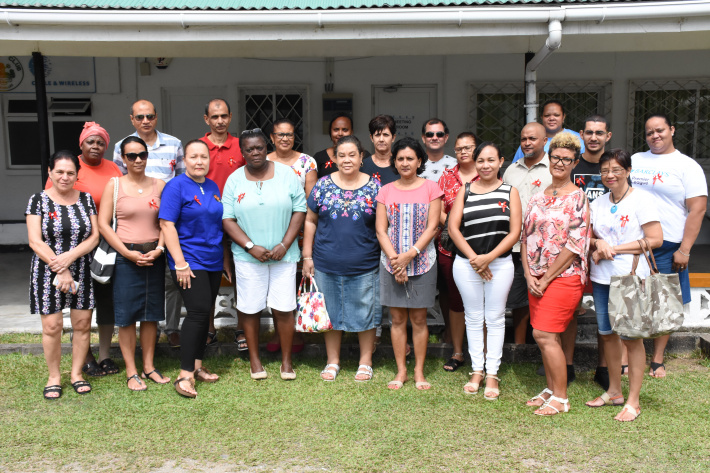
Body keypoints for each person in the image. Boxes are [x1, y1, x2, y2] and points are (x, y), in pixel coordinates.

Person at [222, 129, 306, 380]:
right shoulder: (234, 179)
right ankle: (255, 362)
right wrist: (250, 246)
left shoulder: (286, 174)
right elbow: (227, 218)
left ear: (265, 146)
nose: (255, 152)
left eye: (259, 147)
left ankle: (286, 363)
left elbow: (300, 209)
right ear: (242, 152)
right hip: (248, 257)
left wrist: (284, 244)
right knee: (250, 308)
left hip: (284, 255)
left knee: (284, 308)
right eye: (249, 149)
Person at [585, 149, 662, 421]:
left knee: (631, 338)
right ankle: (614, 391)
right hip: (601, 278)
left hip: (630, 277)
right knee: (607, 334)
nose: (610, 175)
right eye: (605, 170)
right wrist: (598, 243)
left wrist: (613, 248)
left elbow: (655, 239)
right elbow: (591, 235)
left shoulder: (642, 200)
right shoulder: (599, 203)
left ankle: (633, 400)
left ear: (628, 171)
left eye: (616, 170)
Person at [630, 113, 708, 378]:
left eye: (660, 130)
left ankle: (657, 359)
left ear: (672, 130)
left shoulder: (687, 166)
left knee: (665, 303)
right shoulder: (635, 161)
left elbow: (697, 209)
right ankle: (633, 355)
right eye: (650, 132)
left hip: (669, 243)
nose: (655, 136)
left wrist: (685, 249)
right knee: (634, 301)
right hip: (635, 243)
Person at [45, 122, 123, 377]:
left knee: (104, 300)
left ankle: (104, 354)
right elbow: (50, 208)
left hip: (104, 244)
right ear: (81, 144)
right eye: (91, 141)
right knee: (77, 303)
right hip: (70, 247)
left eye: (100, 142)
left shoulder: (113, 169)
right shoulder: (68, 167)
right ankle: (85, 356)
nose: (95, 146)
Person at [302, 135, 381, 382]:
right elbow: (310, 219)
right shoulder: (322, 185)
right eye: (341, 155)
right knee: (331, 314)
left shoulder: (375, 187)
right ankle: (332, 361)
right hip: (326, 262)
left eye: (352, 155)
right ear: (334, 158)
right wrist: (307, 255)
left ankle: (365, 362)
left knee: (365, 312)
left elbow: (383, 227)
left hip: (365, 262)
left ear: (361, 158)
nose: (347, 160)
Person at [522, 132, 590, 416]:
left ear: (574, 163)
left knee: (544, 334)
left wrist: (546, 277)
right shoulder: (538, 196)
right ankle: (551, 388)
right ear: (549, 159)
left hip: (563, 277)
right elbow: (525, 237)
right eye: (556, 157)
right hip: (535, 278)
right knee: (545, 337)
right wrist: (528, 275)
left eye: (566, 159)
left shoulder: (578, 198)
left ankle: (561, 398)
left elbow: (575, 246)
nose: (560, 163)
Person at [449, 142, 521, 399]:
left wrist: (488, 258)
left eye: (491, 160)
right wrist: (474, 259)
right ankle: (476, 370)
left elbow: (515, 232)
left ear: (501, 161)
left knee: (496, 318)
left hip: (499, 264)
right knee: (473, 317)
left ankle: (492, 374)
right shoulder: (465, 190)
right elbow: (453, 228)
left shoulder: (509, 191)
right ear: (474, 162)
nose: (486, 165)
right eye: (481, 160)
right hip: (466, 265)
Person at [27, 151, 100, 399]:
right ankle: (54, 376)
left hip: (82, 269)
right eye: (59, 172)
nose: (65, 177)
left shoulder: (86, 199)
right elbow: (35, 241)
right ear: (50, 173)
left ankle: (77, 374)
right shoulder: (37, 200)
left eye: (70, 172)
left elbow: (95, 236)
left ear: (77, 175)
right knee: (52, 326)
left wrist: (70, 258)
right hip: (47, 270)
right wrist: (62, 266)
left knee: (82, 325)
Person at [100, 136, 170, 391]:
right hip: (125, 256)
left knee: (151, 315)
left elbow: (167, 222)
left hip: (154, 255)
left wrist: (160, 248)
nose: (138, 160)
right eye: (131, 156)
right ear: (123, 158)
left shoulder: (160, 185)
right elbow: (103, 224)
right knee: (127, 317)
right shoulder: (114, 185)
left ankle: (149, 366)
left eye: (141, 154)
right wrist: (125, 253)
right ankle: (131, 370)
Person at [113, 99, 185, 348]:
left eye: (150, 116)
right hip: (134, 224)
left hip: (165, 224)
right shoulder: (121, 147)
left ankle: (173, 327)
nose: (145, 121)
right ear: (132, 119)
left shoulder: (174, 144)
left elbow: (180, 181)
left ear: (156, 117)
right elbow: (119, 187)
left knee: (170, 280)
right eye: (140, 117)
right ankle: (143, 336)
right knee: (133, 289)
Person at [376, 137, 443, 390]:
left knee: (418, 319)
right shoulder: (386, 190)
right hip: (391, 261)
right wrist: (396, 261)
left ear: (419, 161)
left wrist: (410, 255)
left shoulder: (431, 189)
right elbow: (381, 230)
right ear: (394, 161)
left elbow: (433, 227)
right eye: (400, 158)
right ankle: (401, 371)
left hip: (423, 261)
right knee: (396, 318)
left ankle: (418, 371)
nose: (405, 163)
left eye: (410, 158)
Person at [160, 140, 224, 398]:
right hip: (189, 260)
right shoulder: (176, 186)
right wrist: (180, 263)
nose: (199, 161)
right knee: (197, 312)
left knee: (205, 310)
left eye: (203, 157)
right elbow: (167, 225)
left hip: (213, 259)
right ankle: (185, 374)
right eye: (193, 157)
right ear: (184, 160)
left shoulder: (212, 186)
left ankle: (197, 366)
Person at [266, 118, 317, 353]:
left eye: (289, 134)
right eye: (280, 134)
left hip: (299, 233)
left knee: (295, 284)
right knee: (275, 284)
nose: (285, 138)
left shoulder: (307, 162)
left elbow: (311, 203)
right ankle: (279, 331)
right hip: (270, 233)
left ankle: (297, 331)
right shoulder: (264, 161)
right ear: (272, 138)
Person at [200, 98, 245, 349]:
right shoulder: (199, 147)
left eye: (224, 116)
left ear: (230, 117)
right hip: (207, 220)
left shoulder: (240, 147)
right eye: (214, 117)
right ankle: (209, 328)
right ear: (207, 119)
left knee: (239, 273)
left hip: (238, 219)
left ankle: (241, 327)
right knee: (208, 275)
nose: (220, 121)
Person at [502, 123, 551, 345]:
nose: (527, 143)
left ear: (545, 141)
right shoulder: (511, 169)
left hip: (545, 246)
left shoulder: (553, 167)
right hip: (515, 245)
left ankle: (542, 344)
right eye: (523, 139)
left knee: (544, 297)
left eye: (532, 138)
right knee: (518, 298)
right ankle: (520, 346)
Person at [574, 115, 612, 389]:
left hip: (605, 249)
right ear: (581, 135)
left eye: (599, 132)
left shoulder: (612, 166)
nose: (594, 137)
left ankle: (604, 366)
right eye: (589, 132)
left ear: (607, 135)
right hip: (574, 248)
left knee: (604, 312)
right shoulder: (573, 163)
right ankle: (565, 363)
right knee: (571, 307)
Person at [436, 132, 479, 372]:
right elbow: (439, 209)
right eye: (459, 148)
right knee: (455, 301)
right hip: (450, 247)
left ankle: (479, 354)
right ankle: (457, 352)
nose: (463, 152)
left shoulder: (486, 174)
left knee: (478, 301)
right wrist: (455, 226)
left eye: (468, 148)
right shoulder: (447, 176)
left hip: (480, 247)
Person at [512, 100, 585, 163]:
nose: (551, 118)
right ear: (541, 117)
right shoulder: (529, 143)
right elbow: (516, 169)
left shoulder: (577, 139)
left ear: (563, 117)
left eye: (556, 115)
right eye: (547, 115)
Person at [313, 114, 371, 179]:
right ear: (330, 132)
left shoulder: (365, 156)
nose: (340, 133)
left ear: (352, 132)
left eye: (345, 130)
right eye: (336, 129)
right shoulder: (319, 157)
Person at [362, 115, 399, 186]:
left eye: (386, 135)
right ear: (371, 138)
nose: (381, 139)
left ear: (393, 138)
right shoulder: (362, 166)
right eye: (377, 135)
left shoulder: (401, 165)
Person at [420, 118, 457, 182]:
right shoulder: (414, 165)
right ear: (423, 138)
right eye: (430, 134)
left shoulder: (456, 165)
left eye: (439, 134)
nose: (434, 138)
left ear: (446, 138)